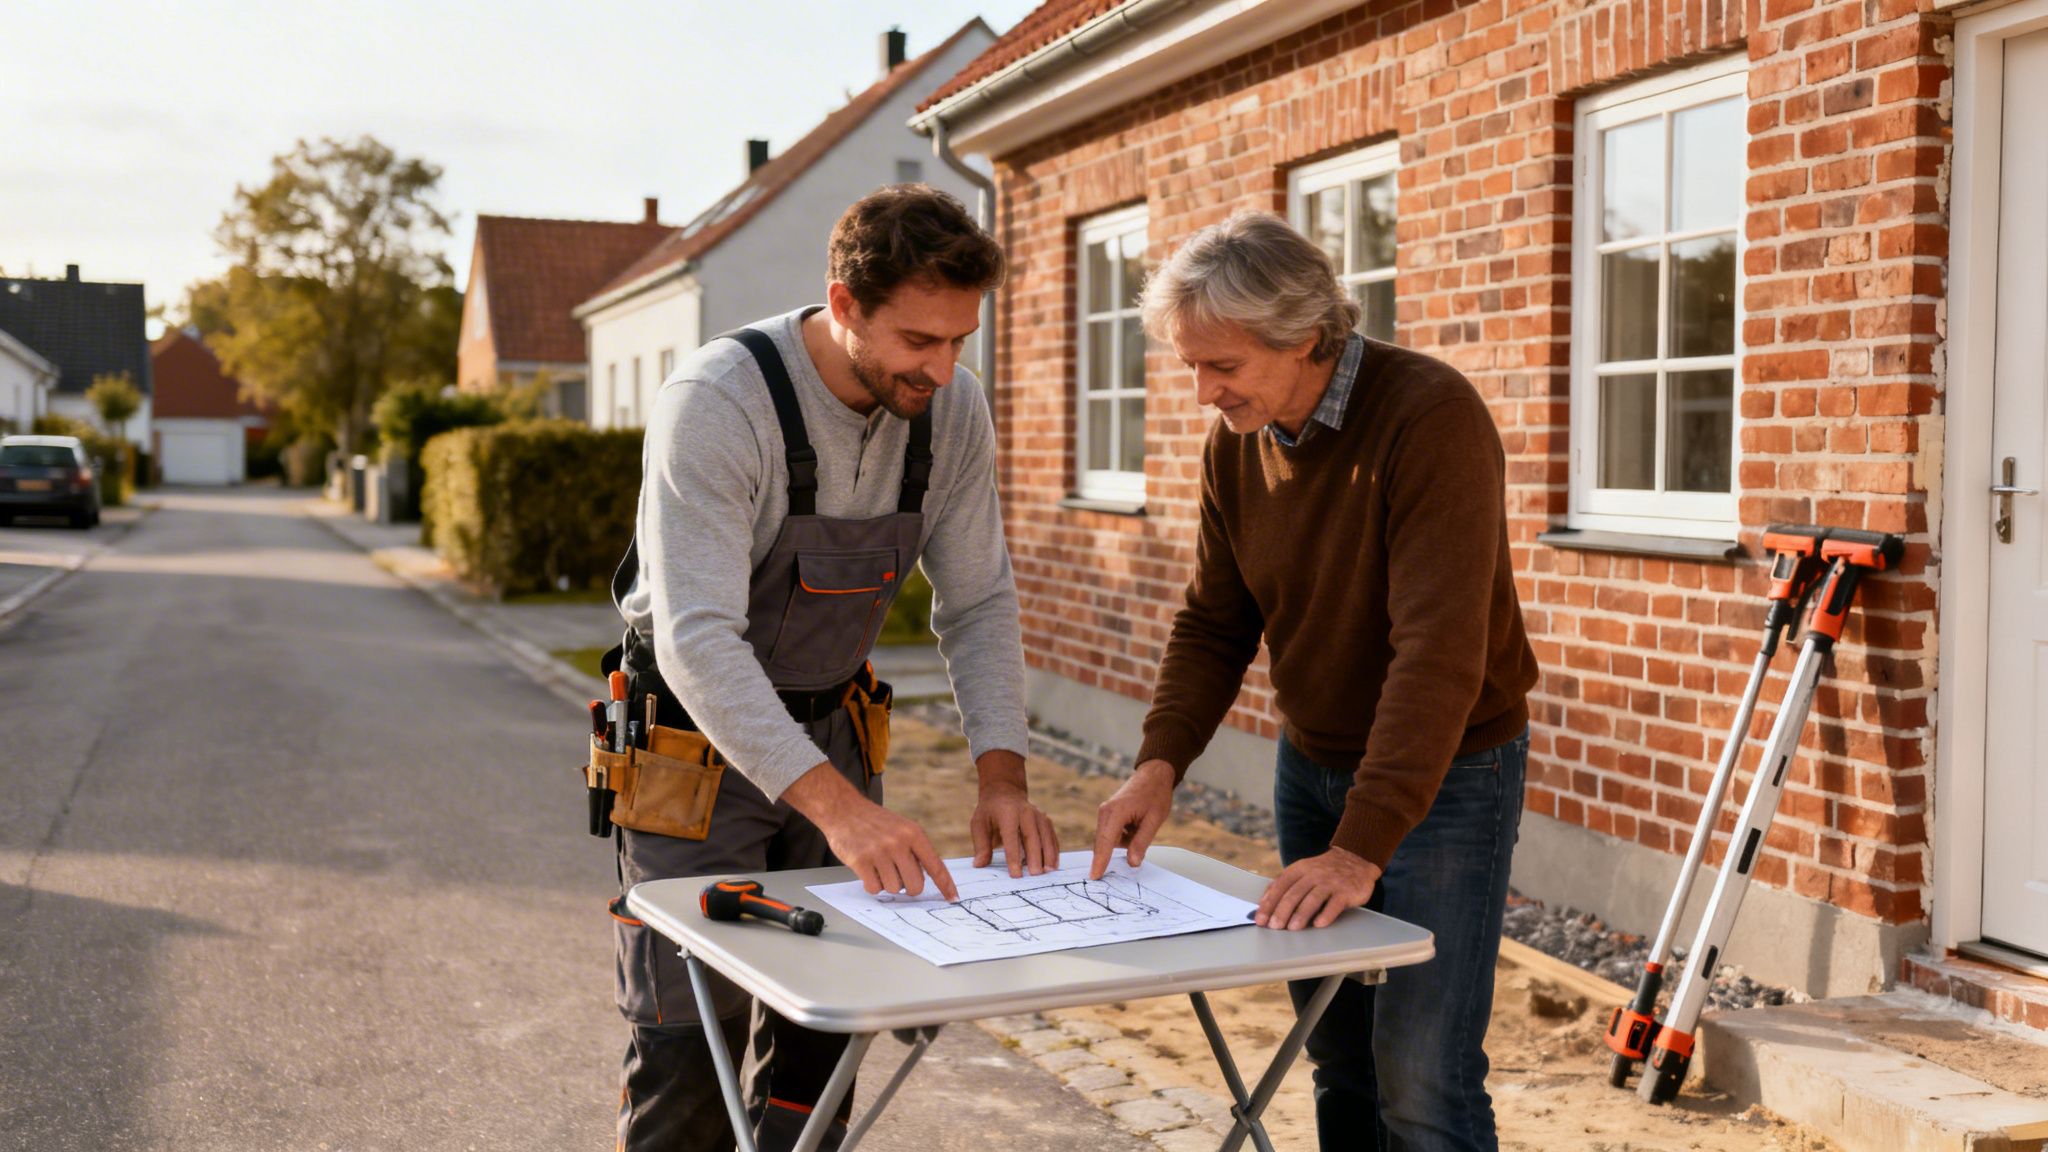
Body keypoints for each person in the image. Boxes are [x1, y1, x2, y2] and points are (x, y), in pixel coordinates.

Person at [607, 185, 1059, 1152]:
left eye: (959, 342)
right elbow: (697, 638)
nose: (942, 369)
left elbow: (978, 601)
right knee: (692, 1054)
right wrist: (844, 814)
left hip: (834, 733)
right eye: (918, 341)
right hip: (688, 753)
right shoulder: (721, 401)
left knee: (824, 1056)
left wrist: (1001, 775)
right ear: (844, 304)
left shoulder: (953, 412)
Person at [1090, 212, 1539, 1152]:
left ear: (1305, 339)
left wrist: (1360, 847)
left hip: (1449, 775)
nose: (1203, 393)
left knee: (1423, 1079)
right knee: (1338, 1057)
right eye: (1191, 368)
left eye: (1223, 367)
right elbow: (1215, 623)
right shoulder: (1237, 444)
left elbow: (1439, 655)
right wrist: (1158, 765)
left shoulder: (1430, 417)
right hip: (1314, 765)